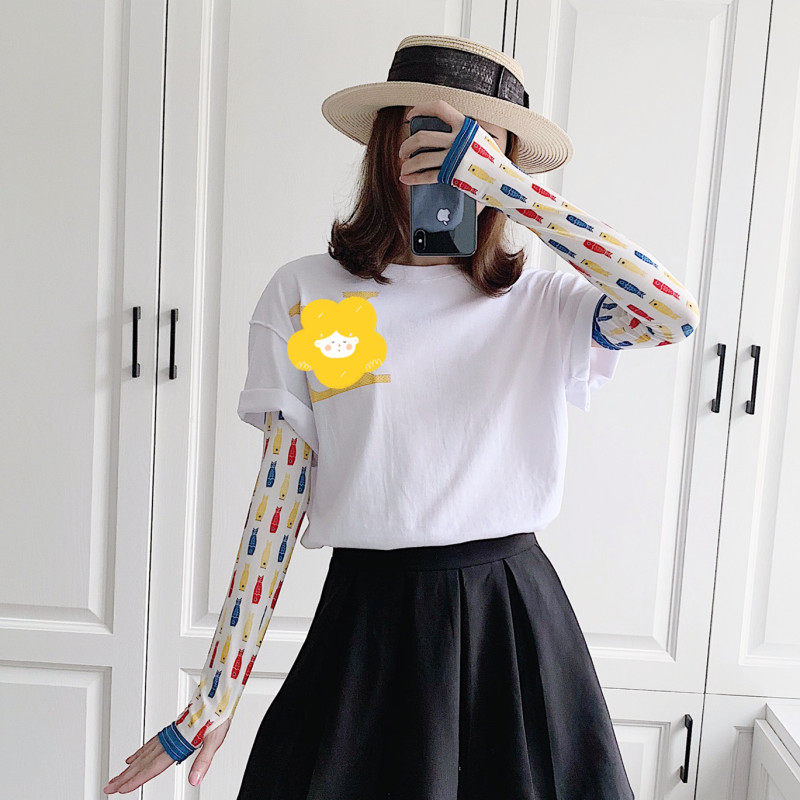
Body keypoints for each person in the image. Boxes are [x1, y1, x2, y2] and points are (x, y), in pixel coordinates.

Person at [104, 33, 699, 798]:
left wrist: (517, 194)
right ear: (388, 141)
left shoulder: (541, 303)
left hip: (510, 632)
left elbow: (671, 313)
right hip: (367, 629)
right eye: (428, 133)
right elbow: (278, 503)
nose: (446, 161)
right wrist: (215, 696)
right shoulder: (311, 294)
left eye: (473, 143)